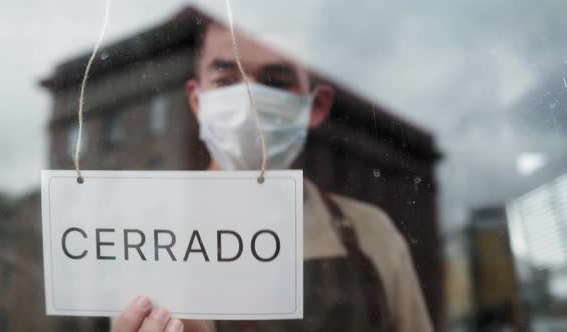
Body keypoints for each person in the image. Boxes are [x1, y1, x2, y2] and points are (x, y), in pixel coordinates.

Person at [113, 20, 433, 332]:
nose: (251, 101)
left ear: (315, 106)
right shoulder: (145, 238)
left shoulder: (372, 233)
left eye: (275, 83)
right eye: (226, 80)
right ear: (197, 101)